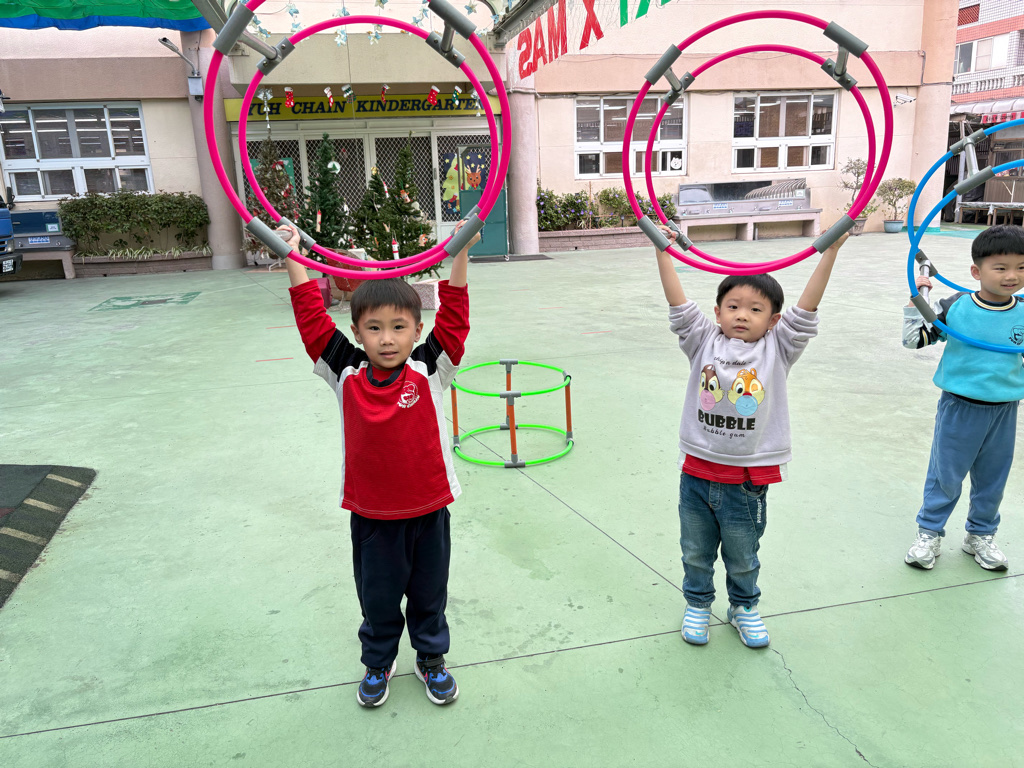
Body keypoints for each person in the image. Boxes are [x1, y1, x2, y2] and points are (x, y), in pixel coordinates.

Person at [281, 223, 479, 707]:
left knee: (430, 595)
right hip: (372, 515)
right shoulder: (345, 371)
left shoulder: (430, 368)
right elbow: (312, 322)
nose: (387, 339)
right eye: (374, 328)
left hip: (429, 510)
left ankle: (431, 658)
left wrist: (461, 252)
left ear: (417, 330)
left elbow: (454, 318)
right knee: (378, 598)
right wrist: (292, 256)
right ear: (357, 332)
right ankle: (378, 661)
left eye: (398, 327)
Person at [653, 227, 847, 648]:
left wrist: (829, 252)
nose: (742, 315)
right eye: (733, 306)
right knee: (695, 552)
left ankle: (743, 607)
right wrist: (662, 251)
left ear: (773, 320)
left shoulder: (779, 347)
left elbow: (807, 308)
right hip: (697, 473)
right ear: (718, 311)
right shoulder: (703, 341)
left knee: (743, 556)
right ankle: (698, 603)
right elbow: (678, 305)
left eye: (755, 309)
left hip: (746, 480)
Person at [902, 224, 1024, 571]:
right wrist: (915, 304)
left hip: (1005, 409)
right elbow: (914, 340)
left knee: (993, 477)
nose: (1012, 276)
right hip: (960, 407)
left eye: (1021, 267)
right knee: (946, 474)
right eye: (1001, 267)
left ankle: (980, 535)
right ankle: (929, 533)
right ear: (976, 271)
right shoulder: (956, 307)